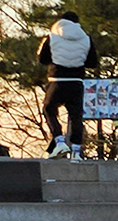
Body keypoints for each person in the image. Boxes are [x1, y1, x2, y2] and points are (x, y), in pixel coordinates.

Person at [38, 10, 99, 160]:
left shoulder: (51, 37)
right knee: (76, 116)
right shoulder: (86, 39)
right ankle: (76, 151)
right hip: (77, 82)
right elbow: (92, 62)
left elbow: (42, 58)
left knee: (49, 108)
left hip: (57, 81)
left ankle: (59, 140)